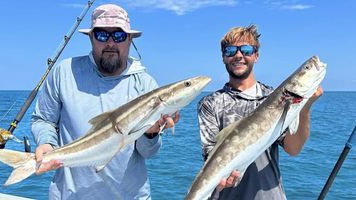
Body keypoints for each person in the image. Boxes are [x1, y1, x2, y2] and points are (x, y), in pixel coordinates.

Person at [31, 4, 178, 200]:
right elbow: (43, 119)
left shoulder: (145, 84)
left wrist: (150, 134)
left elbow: (148, 153)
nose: (110, 43)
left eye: (118, 36)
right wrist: (47, 143)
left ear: (130, 39)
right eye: (102, 35)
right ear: (91, 38)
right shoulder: (64, 72)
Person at [197, 24, 323, 200]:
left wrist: (305, 107)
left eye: (246, 50)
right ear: (223, 57)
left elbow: (293, 148)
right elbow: (211, 157)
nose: (239, 55)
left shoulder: (273, 96)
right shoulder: (210, 104)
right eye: (231, 50)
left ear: (256, 56)